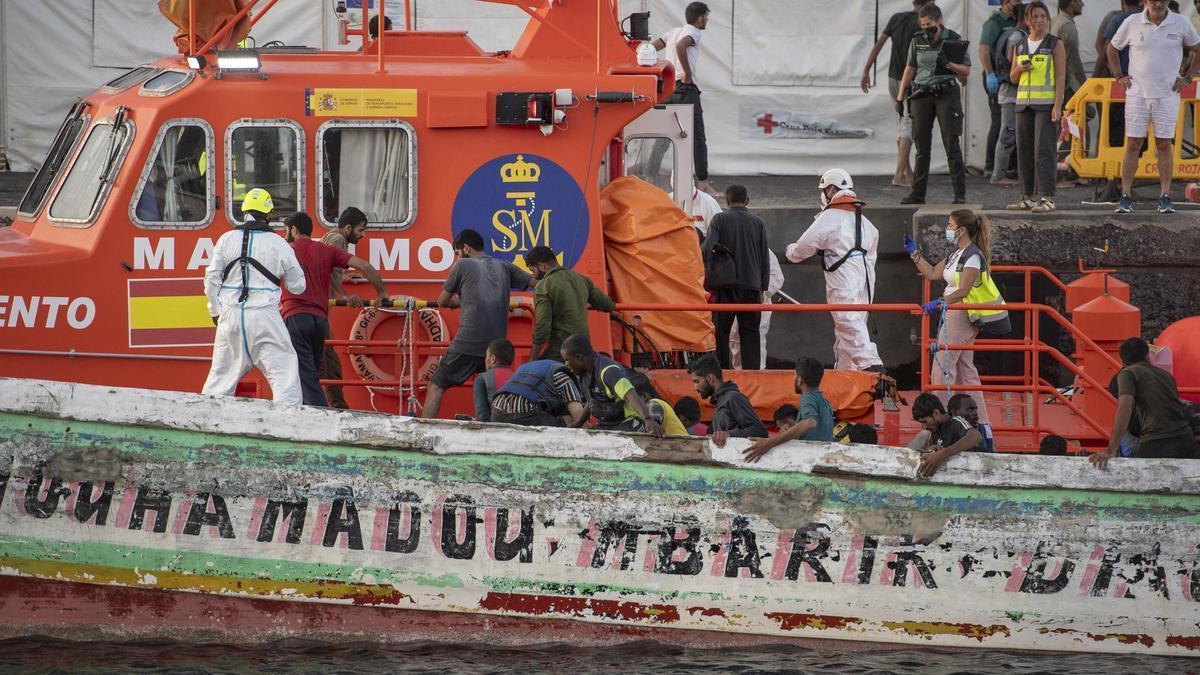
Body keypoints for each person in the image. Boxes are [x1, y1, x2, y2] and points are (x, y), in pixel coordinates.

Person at [905, 209, 1008, 448]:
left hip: (960, 314)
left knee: (942, 369)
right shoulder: (956, 253)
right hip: (956, 313)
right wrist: (914, 253)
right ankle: (983, 426)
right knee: (965, 371)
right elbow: (933, 273)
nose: (947, 229)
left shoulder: (973, 256)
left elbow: (964, 290)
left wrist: (940, 302)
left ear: (961, 230)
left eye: (950, 225)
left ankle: (936, 424)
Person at [202, 188, 307, 403]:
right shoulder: (279, 244)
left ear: (244, 211)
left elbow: (211, 280)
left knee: (219, 383)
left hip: (229, 317)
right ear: (269, 214)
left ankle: (206, 420)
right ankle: (287, 423)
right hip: (265, 318)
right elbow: (298, 287)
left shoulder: (226, 239)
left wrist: (215, 311)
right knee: (285, 379)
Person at [423, 229, 534, 418]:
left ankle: (424, 430)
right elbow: (536, 283)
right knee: (492, 391)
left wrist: (460, 301)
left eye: (457, 253)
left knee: (436, 385)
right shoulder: (505, 266)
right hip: (495, 346)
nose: (458, 257)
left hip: (468, 341)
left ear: (466, 248)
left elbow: (442, 301)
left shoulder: (462, 265)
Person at [281, 212, 388, 406]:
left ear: (294, 230)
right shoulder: (327, 249)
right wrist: (382, 293)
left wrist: (343, 291)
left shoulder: (286, 250)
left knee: (303, 374)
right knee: (315, 371)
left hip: (295, 316)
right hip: (319, 319)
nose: (284, 234)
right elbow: (365, 266)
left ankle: (319, 413)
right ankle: (332, 406)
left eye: (286, 230)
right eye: (361, 230)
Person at [785, 169, 883, 372]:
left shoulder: (829, 217)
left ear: (830, 189)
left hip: (843, 278)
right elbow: (872, 253)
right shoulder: (865, 222)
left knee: (846, 320)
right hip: (865, 278)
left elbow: (803, 247)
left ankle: (872, 365)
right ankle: (846, 376)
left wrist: (790, 252)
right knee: (849, 330)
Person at [1110, 0, 1200, 214]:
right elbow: (1111, 48)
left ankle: (1165, 196)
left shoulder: (1181, 22)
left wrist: (1188, 78)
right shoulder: (1132, 22)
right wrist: (1119, 75)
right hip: (1137, 95)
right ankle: (1125, 196)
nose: (1158, 4)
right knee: (1133, 143)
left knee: (1164, 144)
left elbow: (1198, 48)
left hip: (1167, 95)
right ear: (1145, 1)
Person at [898, 4, 972, 205]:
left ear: (939, 20)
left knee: (951, 145)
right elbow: (910, 68)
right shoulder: (918, 39)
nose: (925, 28)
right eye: (922, 25)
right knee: (922, 146)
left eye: (928, 24)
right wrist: (900, 96)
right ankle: (918, 194)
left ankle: (959, 194)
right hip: (922, 94)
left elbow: (966, 70)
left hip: (946, 93)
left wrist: (947, 64)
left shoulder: (953, 39)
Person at [1091, 337, 1200, 468]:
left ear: (1122, 362)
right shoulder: (1167, 376)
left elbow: (1125, 408)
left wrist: (1110, 449)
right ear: (1148, 356)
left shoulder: (1127, 373)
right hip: (1186, 441)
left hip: (1157, 443)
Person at [861, 0, 935, 188]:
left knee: (901, 124)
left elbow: (878, 45)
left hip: (892, 79)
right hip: (910, 80)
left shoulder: (897, 18)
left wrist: (866, 70)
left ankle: (907, 172)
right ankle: (898, 175)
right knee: (908, 126)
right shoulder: (924, 25)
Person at [702, 184, 770, 371]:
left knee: (721, 334)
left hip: (725, 286)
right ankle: (752, 376)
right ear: (747, 200)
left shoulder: (720, 220)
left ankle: (722, 373)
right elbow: (764, 258)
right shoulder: (758, 223)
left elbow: (707, 250)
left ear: (727, 200)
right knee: (751, 335)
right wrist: (762, 288)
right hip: (752, 287)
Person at [1008, 1, 1067, 213]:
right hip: (1023, 105)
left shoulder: (1055, 44)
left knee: (1044, 150)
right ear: (1027, 20)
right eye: (1034, 17)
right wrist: (1020, 69)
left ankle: (1047, 197)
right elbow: (1012, 77)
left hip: (1046, 105)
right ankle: (1028, 196)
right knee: (1024, 150)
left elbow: (1061, 77)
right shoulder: (1020, 45)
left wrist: (1058, 105)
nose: (1039, 20)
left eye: (1043, 16)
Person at [652, 2, 716, 197]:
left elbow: (651, 47)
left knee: (664, 134)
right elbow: (681, 45)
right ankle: (703, 183)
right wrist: (687, 73)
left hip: (669, 89)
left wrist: (657, 71)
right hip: (686, 88)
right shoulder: (694, 32)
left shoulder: (672, 32)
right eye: (706, 17)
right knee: (697, 136)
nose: (707, 20)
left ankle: (649, 175)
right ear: (699, 19)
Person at [560, 334, 665, 437]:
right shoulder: (583, 373)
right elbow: (592, 400)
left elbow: (630, 396)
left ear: (579, 357)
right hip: (610, 423)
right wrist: (577, 424)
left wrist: (648, 419)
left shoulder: (609, 371)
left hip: (631, 419)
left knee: (607, 440)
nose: (566, 364)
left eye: (567, 360)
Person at [319, 206, 372, 409]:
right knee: (328, 360)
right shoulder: (338, 239)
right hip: (320, 308)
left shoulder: (330, 237)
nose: (363, 235)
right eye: (360, 230)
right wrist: (345, 295)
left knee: (327, 359)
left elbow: (328, 269)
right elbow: (323, 270)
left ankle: (335, 405)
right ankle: (336, 406)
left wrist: (343, 275)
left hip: (320, 309)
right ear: (348, 228)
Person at [526, 245, 615, 361]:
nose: (533, 275)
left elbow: (542, 329)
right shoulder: (582, 279)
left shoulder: (543, 286)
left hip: (560, 352)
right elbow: (608, 305)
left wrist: (532, 360)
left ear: (542, 266)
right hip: (584, 351)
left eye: (533, 270)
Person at [743, 357, 836, 462]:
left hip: (810, 460)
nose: (794, 379)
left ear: (799, 380)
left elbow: (810, 423)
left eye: (794, 376)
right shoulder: (826, 403)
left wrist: (769, 443)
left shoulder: (808, 398)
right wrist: (792, 431)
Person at [689, 355, 768, 448]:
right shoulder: (718, 404)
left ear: (710, 378)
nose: (695, 388)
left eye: (697, 381)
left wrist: (729, 434)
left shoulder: (734, 398)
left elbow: (760, 431)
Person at [980, 0, 1021, 178]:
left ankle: (1009, 166)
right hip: (997, 78)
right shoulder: (995, 22)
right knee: (999, 122)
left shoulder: (1016, 20)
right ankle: (991, 166)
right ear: (1005, 2)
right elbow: (983, 49)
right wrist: (990, 74)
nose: (1019, 2)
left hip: (1010, 79)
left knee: (1012, 124)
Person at [489, 357, 587, 428]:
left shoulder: (529, 367)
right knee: (570, 420)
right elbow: (579, 418)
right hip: (526, 412)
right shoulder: (565, 378)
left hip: (496, 410)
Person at [991, 4, 1029, 186]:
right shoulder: (1017, 37)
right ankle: (998, 176)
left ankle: (1003, 174)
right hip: (1011, 93)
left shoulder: (1011, 34)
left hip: (1011, 93)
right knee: (1007, 134)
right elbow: (1011, 62)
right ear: (1025, 18)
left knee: (1011, 134)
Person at [909, 392, 988, 477]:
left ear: (936, 413)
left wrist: (941, 454)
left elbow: (975, 437)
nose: (924, 426)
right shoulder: (934, 431)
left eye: (925, 421)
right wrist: (931, 450)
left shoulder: (956, 422)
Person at [729, 249, 783, 370]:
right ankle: (740, 376)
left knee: (756, 343)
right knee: (735, 341)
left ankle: (758, 377)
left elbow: (777, 277)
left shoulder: (762, 249)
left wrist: (759, 295)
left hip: (756, 307)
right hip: (734, 304)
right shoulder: (728, 245)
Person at [1051, 0, 1088, 101]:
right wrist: (1085, 85)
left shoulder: (1053, 20)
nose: (1083, 4)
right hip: (1065, 84)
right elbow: (1073, 61)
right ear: (1072, 3)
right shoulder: (1067, 26)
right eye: (1080, 1)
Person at [473, 339, 515, 422]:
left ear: (492, 359)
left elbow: (482, 418)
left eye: (486, 356)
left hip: (495, 428)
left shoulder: (482, 379)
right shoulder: (520, 377)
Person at [1094, 1, 1139, 78]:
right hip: (1141, 75)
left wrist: (1113, 71)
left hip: (1122, 75)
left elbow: (1104, 49)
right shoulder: (1150, 20)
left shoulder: (1116, 18)